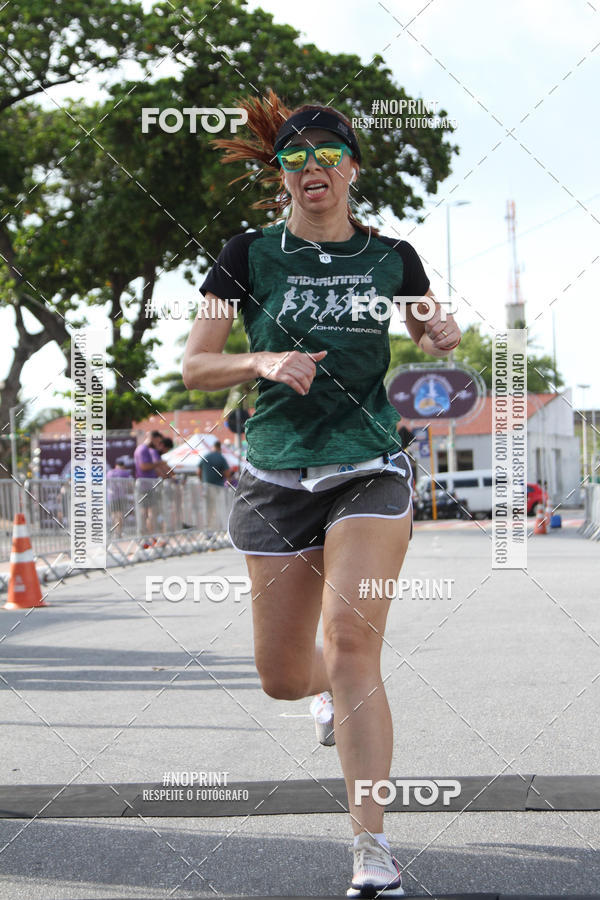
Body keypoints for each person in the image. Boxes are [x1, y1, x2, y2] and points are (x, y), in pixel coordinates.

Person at [182, 92, 461, 898]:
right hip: (274, 471)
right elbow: (196, 366)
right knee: (282, 674)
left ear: (352, 170)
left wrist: (438, 334)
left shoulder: (394, 257)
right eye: (296, 157)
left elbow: (426, 329)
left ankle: (371, 850)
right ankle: (325, 700)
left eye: (328, 155)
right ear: (281, 176)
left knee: (350, 646)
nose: (313, 168)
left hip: (368, 464)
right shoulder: (242, 255)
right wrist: (261, 363)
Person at [198, 440, 232, 530]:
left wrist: (202, 481)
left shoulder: (206, 456)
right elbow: (228, 474)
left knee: (208, 509)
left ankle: (208, 529)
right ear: (220, 448)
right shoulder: (221, 458)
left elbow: (198, 471)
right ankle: (220, 529)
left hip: (206, 487)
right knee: (219, 508)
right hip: (218, 488)